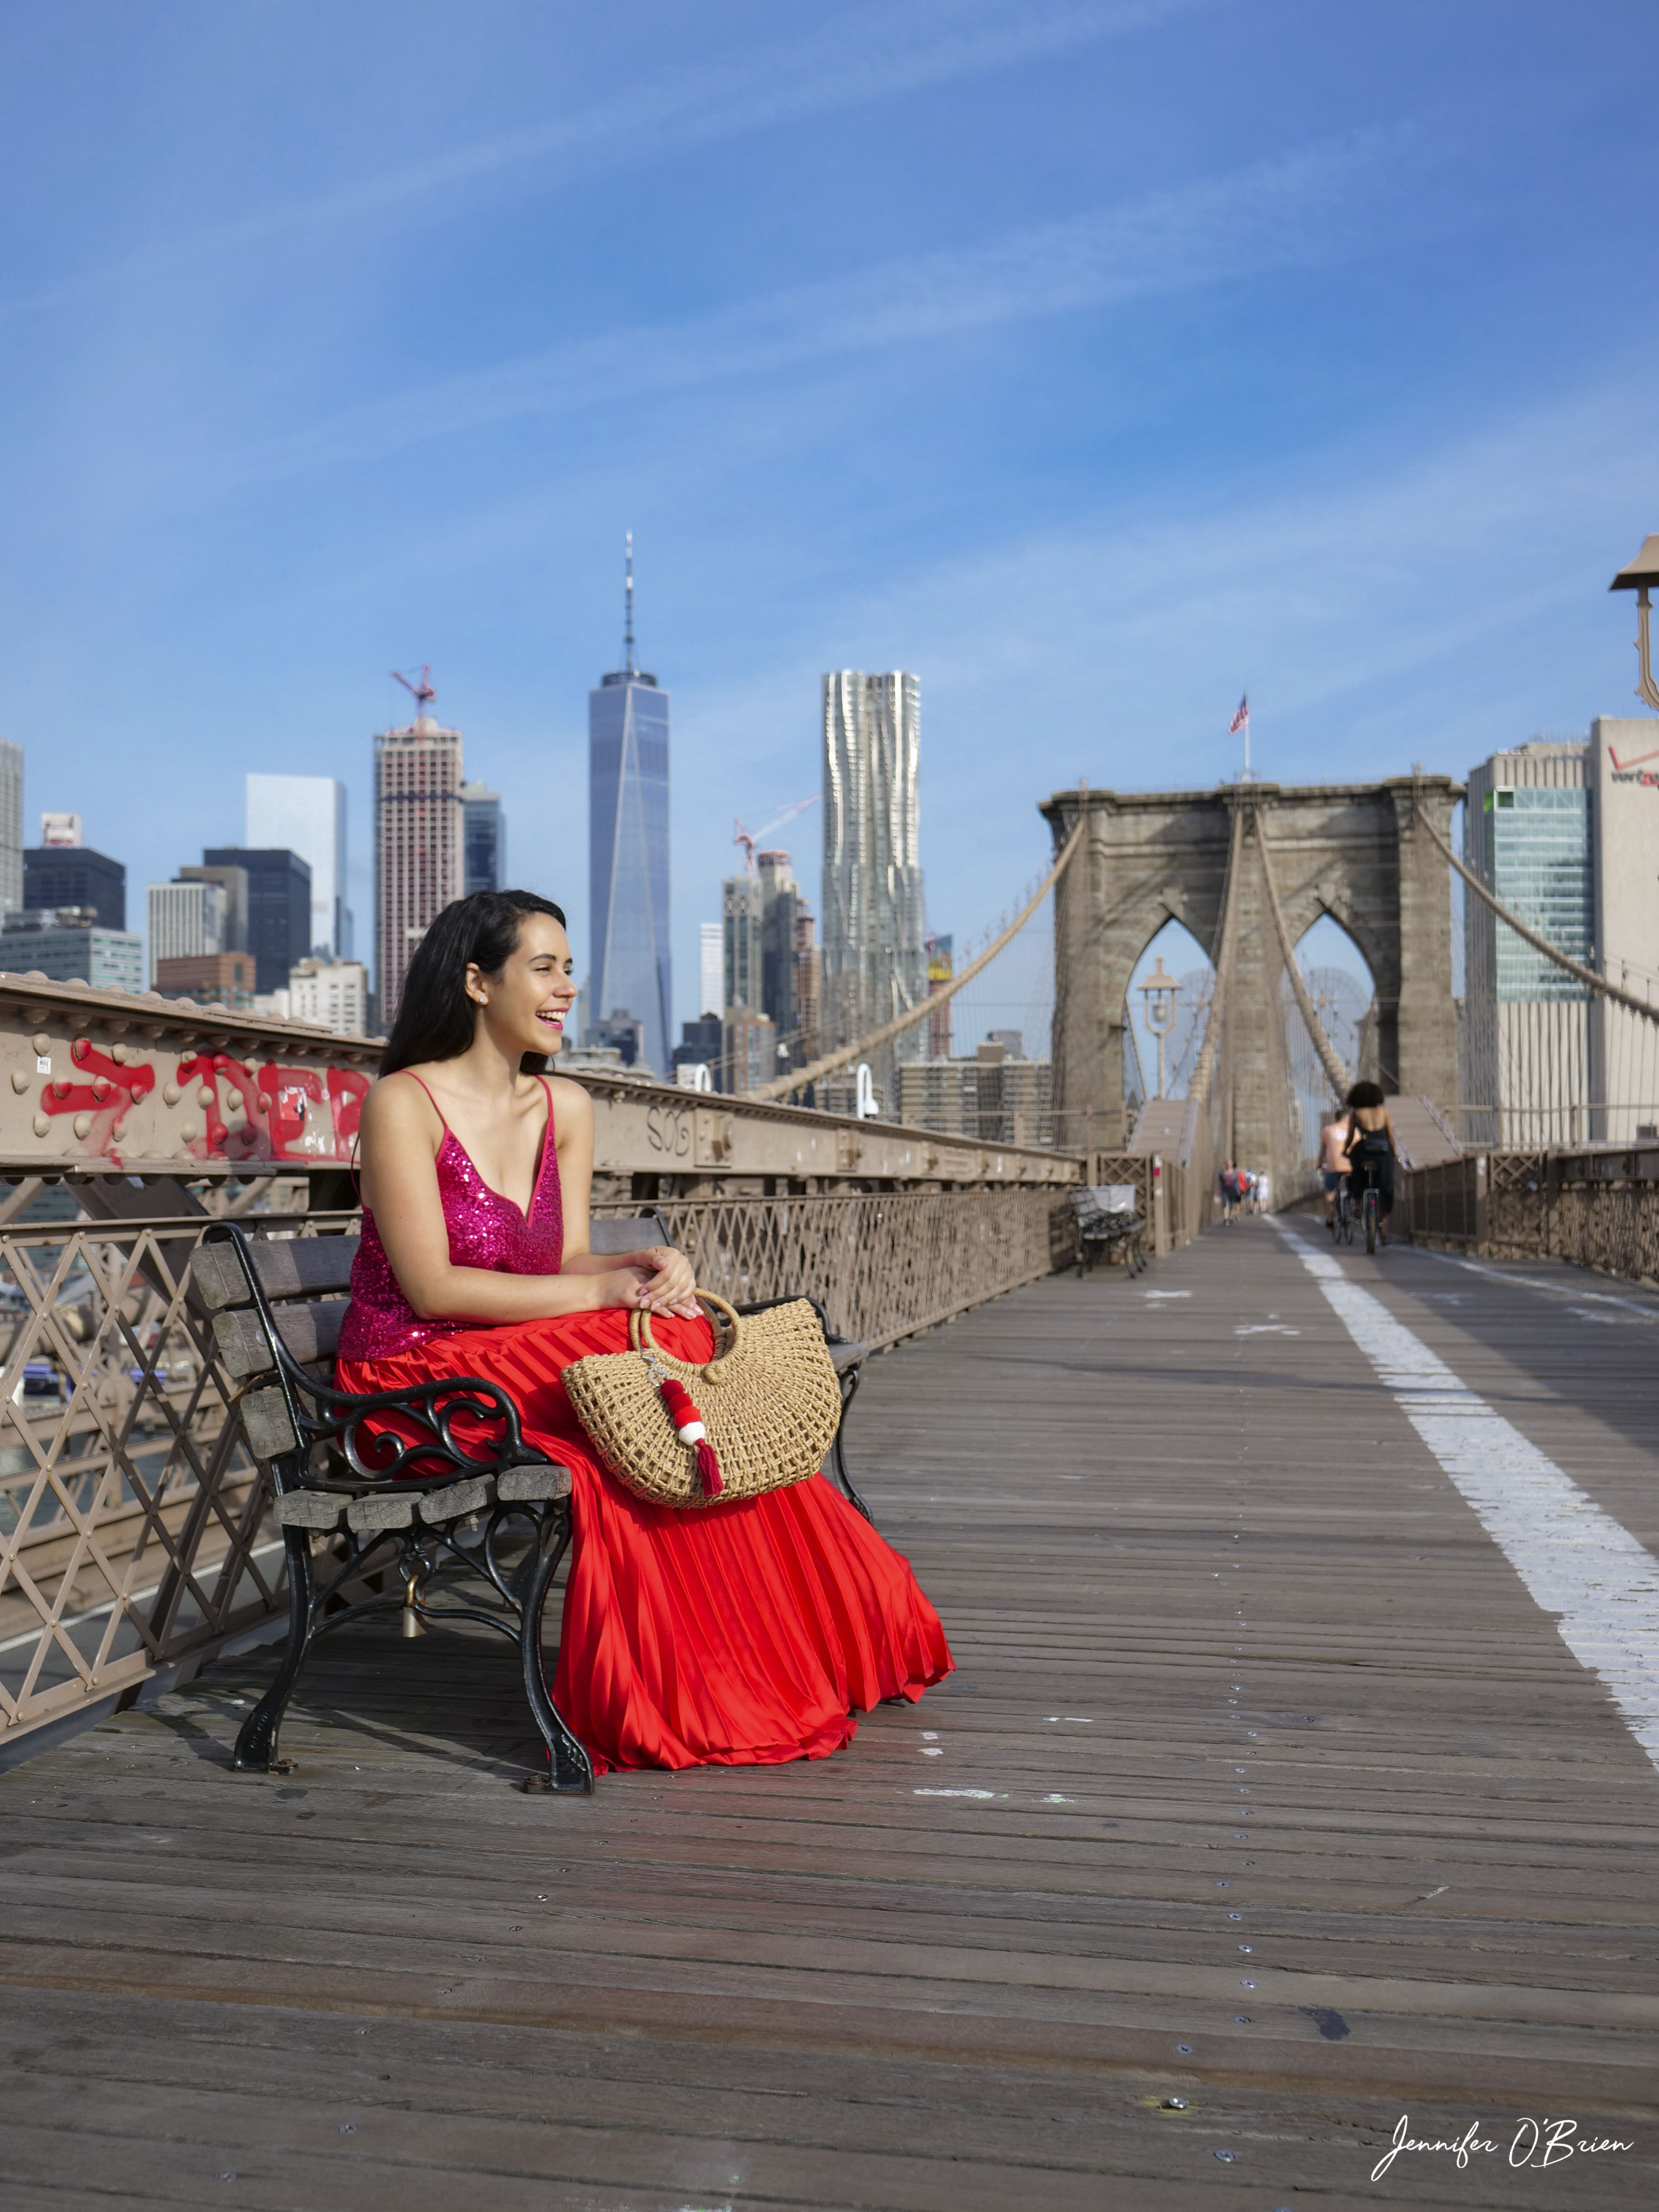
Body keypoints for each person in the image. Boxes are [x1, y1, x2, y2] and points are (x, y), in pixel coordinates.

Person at [336, 889, 952, 1774]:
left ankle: (821, 1643)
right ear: (477, 982)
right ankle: (711, 1677)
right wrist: (604, 1302)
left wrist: (654, 1275)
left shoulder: (568, 1109)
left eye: (569, 970)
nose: (564, 989)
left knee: (682, 1343)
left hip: (502, 1352)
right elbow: (432, 1289)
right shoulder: (405, 1103)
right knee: (629, 1382)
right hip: (412, 1377)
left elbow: (572, 1257)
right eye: (543, 969)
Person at [1342, 1080, 1398, 1243]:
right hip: (1383, 1151)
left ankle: (1357, 1201)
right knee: (1387, 1187)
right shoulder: (1384, 1112)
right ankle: (1384, 1225)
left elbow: (1351, 1137)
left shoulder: (1356, 1114)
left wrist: (1345, 1151)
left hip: (1364, 1150)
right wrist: (1393, 1153)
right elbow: (1390, 1137)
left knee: (1357, 1173)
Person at [1318, 1114, 1349, 1232]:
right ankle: (1354, 1208)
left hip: (1333, 1167)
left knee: (1329, 1191)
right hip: (1350, 1168)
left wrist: (1319, 1164)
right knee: (1354, 1187)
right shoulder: (1355, 1131)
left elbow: (1322, 1151)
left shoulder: (1328, 1130)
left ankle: (1330, 1219)